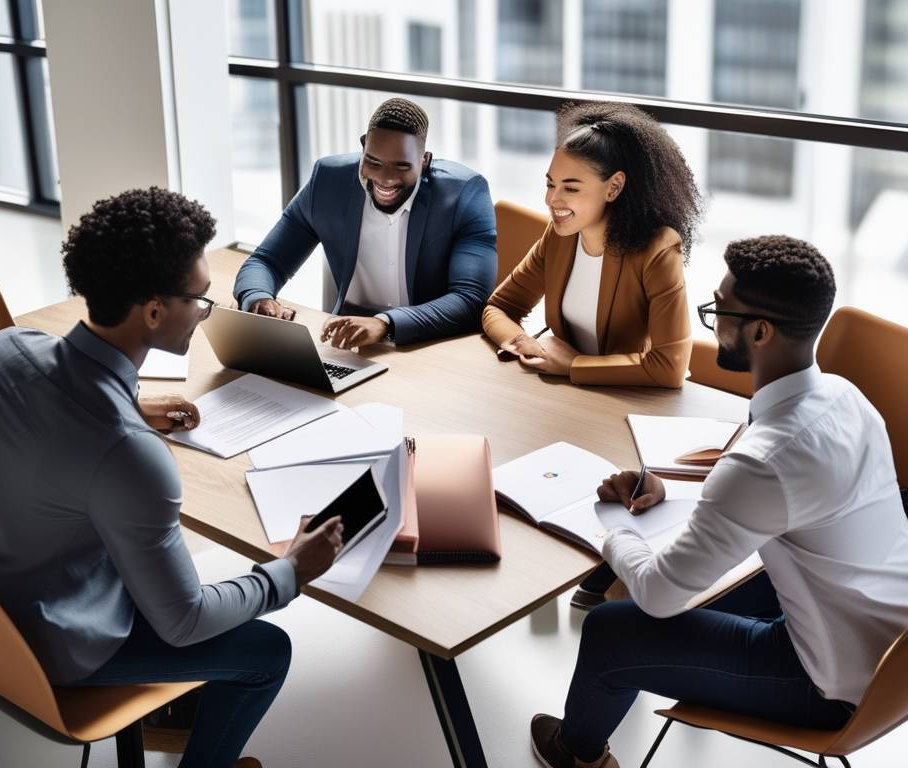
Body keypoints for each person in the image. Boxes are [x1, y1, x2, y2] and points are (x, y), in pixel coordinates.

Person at [0, 188, 344, 768]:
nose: (203, 311)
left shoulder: (2, 351)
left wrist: (129, 404)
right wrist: (290, 573)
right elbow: (185, 621)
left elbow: (49, 425)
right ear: (152, 311)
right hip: (44, 647)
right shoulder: (131, 455)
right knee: (266, 649)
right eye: (200, 300)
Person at [530, 236, 908, 768]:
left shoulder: (764, 461)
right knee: (678, 590)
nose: (711, 318)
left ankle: (577, 755)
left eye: (718, 308)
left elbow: (661, 593)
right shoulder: (847, 397)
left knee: (612, 628)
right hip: (888, 644)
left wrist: (608, 534)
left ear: (760, 330)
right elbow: (771, 488)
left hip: (827, 683)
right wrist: (668, 482)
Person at [233, 97, 497, 347]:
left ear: (424, 160)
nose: (385, 178)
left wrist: (384, 323)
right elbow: (268, 261)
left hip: (427, 345)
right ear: (363, 149)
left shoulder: (465, 194)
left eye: (402, 166)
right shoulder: (328, 180)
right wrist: (259, 297)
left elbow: (470, 300)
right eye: (373, 161)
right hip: (346, 342)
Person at [482, 102, 701, 388]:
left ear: (614, 187)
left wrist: (573, 365)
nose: (552, 200)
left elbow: (669, 367)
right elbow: (499, 307)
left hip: (633, 400)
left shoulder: (658, 249)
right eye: (551, 184)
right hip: (569, 394)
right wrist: (524, 343)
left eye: (571, 188)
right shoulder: (561, 236)